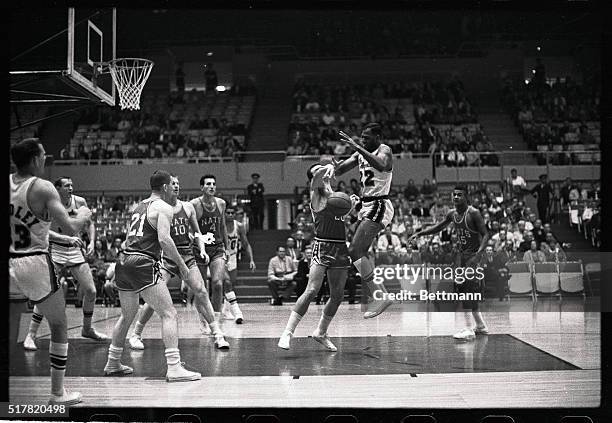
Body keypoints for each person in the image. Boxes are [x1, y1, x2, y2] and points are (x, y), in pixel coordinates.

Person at [10, 138, 92, 405]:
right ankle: (58, 394)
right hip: (33, 260)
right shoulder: (42, 187)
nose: (46, 159)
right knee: (59, 324)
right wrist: (85, 214)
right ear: (35, 159)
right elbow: (70, 227)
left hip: (9, 259)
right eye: (44, 155)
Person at [103, 170, 201, 382]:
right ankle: (174, 367)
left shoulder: (138, 206)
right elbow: (165, 240)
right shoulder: (164, 208)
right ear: (165, 187)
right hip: (142, 262)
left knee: (127, 315)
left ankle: (112, 362)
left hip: (123, 261)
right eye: (171, 185)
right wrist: (182, 265)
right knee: (169, 313)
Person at [126, 175, 230, 350]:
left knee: (201, 291)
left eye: (178, 184)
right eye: (173, 183)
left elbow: (197, 233)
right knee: (154, 300)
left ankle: (217, 333)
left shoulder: (187, 207)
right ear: (166, 187)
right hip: (166, 256)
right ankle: (136, 333)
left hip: (186, 254)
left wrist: (202, 249)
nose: (176, 186)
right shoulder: (160, 208)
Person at [278, 162, 357, 351]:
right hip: (322, 245)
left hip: (340, 246)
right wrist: (328, 166)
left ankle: (321, 332)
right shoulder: (316, 194)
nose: (322, 173)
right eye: (317, 171)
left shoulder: (336, 197)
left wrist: (351, 206)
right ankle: (287, 332)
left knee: (338, 295)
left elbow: (338, 217)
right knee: (312, 289)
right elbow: (316, 179)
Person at [23, 177, 108, 351]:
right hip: (55, 249)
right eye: (67, 185)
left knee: (91, 290)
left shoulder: (80, 201)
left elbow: (90, 224)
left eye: (72, 185)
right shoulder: (48, 205)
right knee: (46, 292)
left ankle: (87, 328)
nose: (71, 187)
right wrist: (66, 237)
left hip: (74, 250)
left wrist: (92, 241)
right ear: (58, 188)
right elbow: (44, 233)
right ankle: (30, 334)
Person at [327, 123, 395, 318]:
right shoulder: (360, 154)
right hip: (366, 205)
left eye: (367, 137)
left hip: (379, 203)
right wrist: (334, 166)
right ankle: (381, 295)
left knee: (355, 249)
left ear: (378, 136)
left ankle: (380, 295)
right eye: (362, 137)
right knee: (357, 251)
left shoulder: (385, 150)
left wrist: (358, 147)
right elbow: (340, 171)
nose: (363, 140)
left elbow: (382, 165)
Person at [409, 184, 490, 341]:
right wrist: (420, 233)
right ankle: (480, 326)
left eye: (459, 195)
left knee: (468, 293)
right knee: (465, 291)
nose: (456, 197)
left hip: (472, 257)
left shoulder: (474, 213)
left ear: (466, 197)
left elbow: (486, 234)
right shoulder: (452, 214)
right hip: (461, 257)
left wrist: (478, 256)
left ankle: (468, 329)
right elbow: (438, 227)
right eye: (454, 195)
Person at [190, 174, 229, 330]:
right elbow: (190, 229)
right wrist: (198, 243)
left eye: (214, 183)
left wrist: (227, 248)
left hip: (217, 247)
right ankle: (203, 320)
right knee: (201, 288)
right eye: (208, 184)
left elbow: (223, 227)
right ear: (202, 187)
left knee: (218, 283)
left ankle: (216, 319)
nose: (212, 186)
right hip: (199, 249)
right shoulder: (194, 204)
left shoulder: (221, 204)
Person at [220, 205, 255, 324]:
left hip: (234, 257)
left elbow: (246, 244)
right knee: (228, 283)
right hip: (222, 257)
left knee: (231, 285)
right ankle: (237, 312)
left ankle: (225, 310)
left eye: (232, 213)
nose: (230, 215)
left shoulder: (239, 226)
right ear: (224, 214)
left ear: (235, 214)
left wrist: (251, 259)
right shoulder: (220, 226)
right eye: (227, 213)